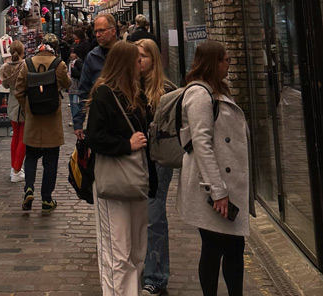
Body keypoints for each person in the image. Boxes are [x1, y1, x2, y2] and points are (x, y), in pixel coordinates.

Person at [177, 40, 253, 296]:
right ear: (213, 62)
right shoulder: (199, 94)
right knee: (216, 248)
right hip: (211, 189)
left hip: (223, 184)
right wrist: (218, 190)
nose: (229, 64)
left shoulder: (217, 89)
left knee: (231, 247)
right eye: (226, 59)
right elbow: (201, 143)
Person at [86, 41, 156, 296]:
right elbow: (93, 137)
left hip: (136, 179)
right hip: (113, 179)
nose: (141, 63)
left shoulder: (136, 93)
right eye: (137, 59)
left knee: (137, 246)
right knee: (118, 248)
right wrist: (126, 144)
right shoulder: (104, 94)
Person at [15, 33, 71, 214]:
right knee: (51, 160)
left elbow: (19, 91)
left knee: (31, 156)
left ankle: (29, 189)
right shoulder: (58, 64)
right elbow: (67, 83)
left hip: (33, 120)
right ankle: (46, 199)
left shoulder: (27, 64)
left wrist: (28, 108)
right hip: (52, 120)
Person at [138, 39, 175, 296]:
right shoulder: (127, 86)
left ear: (154, 59)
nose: (138, 60)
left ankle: (156, 276)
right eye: (135, 56)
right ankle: (140, 268)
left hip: (158, 161)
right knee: (138, 217)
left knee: (154, 216)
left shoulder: (166, 91)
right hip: (134, 159)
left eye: (143, 56)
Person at [73, 13, 119, 139]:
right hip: (99, 117)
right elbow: (84, 90)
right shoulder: (92, 57)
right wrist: (78, 122)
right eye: (96, 32)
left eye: (102, 31)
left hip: (123, 115)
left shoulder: (126, 53)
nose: (98, 35)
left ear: (113, 31)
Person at [0, 40, 26, 183]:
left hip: (12, 102)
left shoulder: (4, 67)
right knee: (23, 138)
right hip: (24, 103)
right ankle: (16, 169)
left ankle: (14, 167)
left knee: (15, 135)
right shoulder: (26, 66)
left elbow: (4, 84)